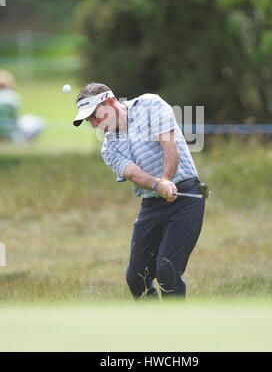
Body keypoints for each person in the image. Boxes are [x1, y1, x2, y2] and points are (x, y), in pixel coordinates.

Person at [73, 82, 205, 300]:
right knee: (136, 277)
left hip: (185, 199)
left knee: (167, 271)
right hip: (152, 205)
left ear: (108, 102)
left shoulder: (150, 105)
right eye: (90, 122)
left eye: (95, 116)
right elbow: (134, 173)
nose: (95, 124)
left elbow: (169, 145)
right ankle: (153, 328)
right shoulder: (109, 147)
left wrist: (167, 181)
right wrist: (158, 185)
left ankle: (178, 329)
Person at [0, 70, 46, 143]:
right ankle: (29, 141)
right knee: (39, 121)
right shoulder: (14, 97)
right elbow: (15, 120)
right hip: (11, 135)